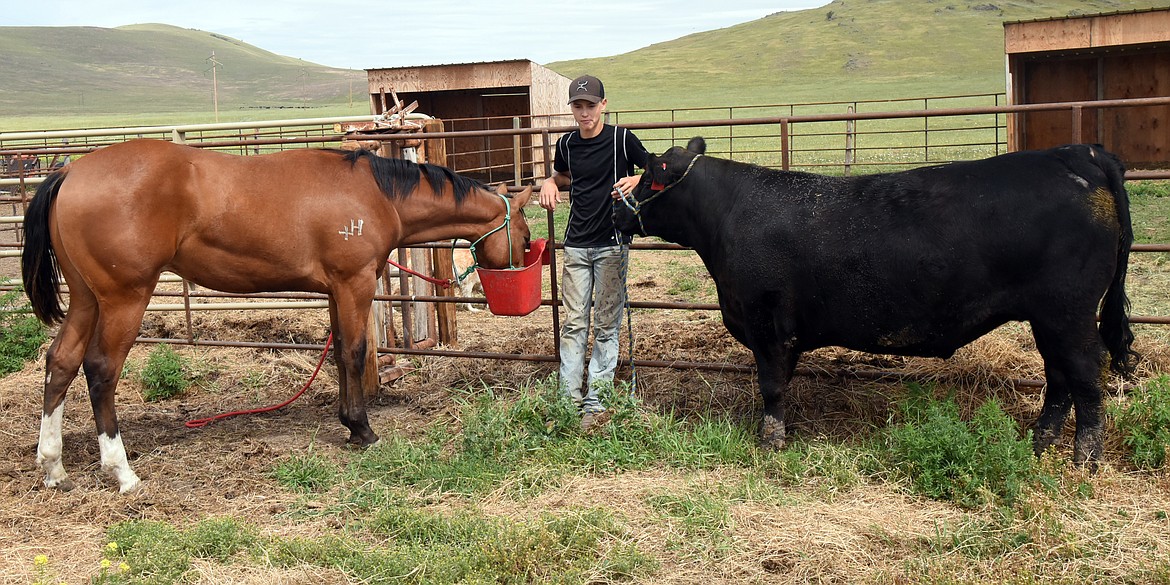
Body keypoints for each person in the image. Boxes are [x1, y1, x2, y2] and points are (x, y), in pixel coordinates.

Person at [539, 74, 649, 428]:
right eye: (577, 106)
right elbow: (562, 176)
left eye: (590, 105)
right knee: (573, 324)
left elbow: (653, 168)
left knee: (605, 324)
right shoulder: (567, 144)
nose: (584, 113)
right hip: (576, 244)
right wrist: (547, 182)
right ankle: (566, 401)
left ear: (604, 105)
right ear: (571, 108)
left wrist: (637, 179)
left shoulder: (621, 139)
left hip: (613, 244)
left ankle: (596, 404)